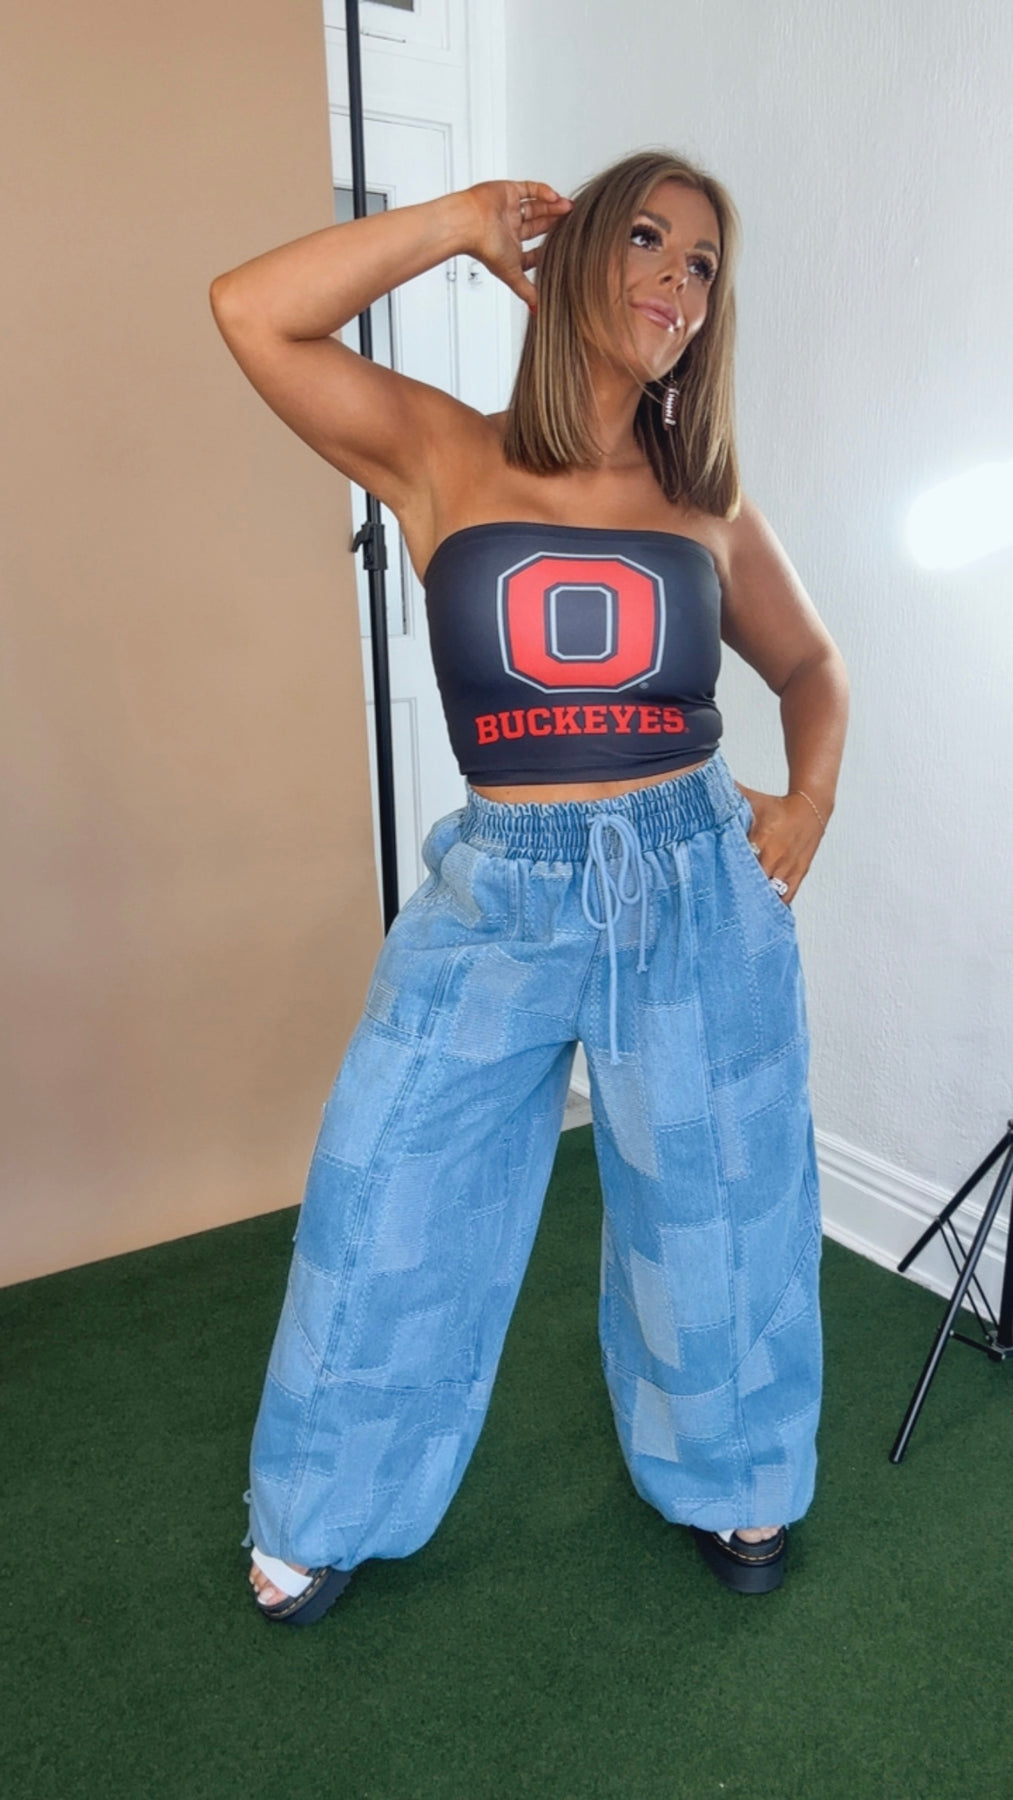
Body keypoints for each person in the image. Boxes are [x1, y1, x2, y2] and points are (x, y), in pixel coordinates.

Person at [209, 148, 848, 1623]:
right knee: (391, 1184)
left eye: (702, 265)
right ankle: (327, 1506)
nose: (676, 282)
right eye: (647, 240)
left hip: (692, 877)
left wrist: (807, 801)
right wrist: (459, 224)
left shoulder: (705, 501)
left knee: (721, 1200)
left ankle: (737, 1475)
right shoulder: (442, 452)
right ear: (571, 255)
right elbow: (250, 311)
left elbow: (811, 664)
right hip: (501, 886)